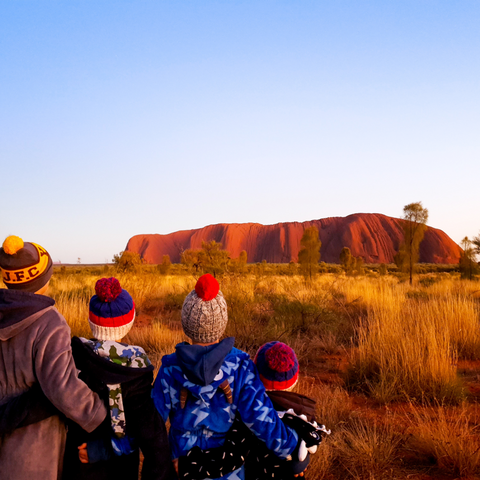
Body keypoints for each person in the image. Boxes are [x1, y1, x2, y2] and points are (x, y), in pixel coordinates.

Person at [151, 274, 301, 480]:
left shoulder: (169, 368)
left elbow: (151, 421)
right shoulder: (241, 366)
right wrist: (292, 447)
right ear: (222, 321)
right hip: (226, 469)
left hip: (182, 466)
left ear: (186, 322)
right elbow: (260, 418)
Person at [0, 236, 107, 480]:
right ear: (43, 279)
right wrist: (98, 414)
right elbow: (62, 387)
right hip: (33, 445)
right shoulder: (49, 323)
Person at [63, 277, 175, 480]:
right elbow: (154, 442)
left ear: (91, 321)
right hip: (120, 470)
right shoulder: (136, 373)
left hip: (76, 466)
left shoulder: (71, 361)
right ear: (129, 323)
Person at [177, 341, 327, 480]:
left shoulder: (250, 412)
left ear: (254, 372)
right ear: (295, 380)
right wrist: (300, 463)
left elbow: (231, 458)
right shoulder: (304, 416)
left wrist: (188, 464)